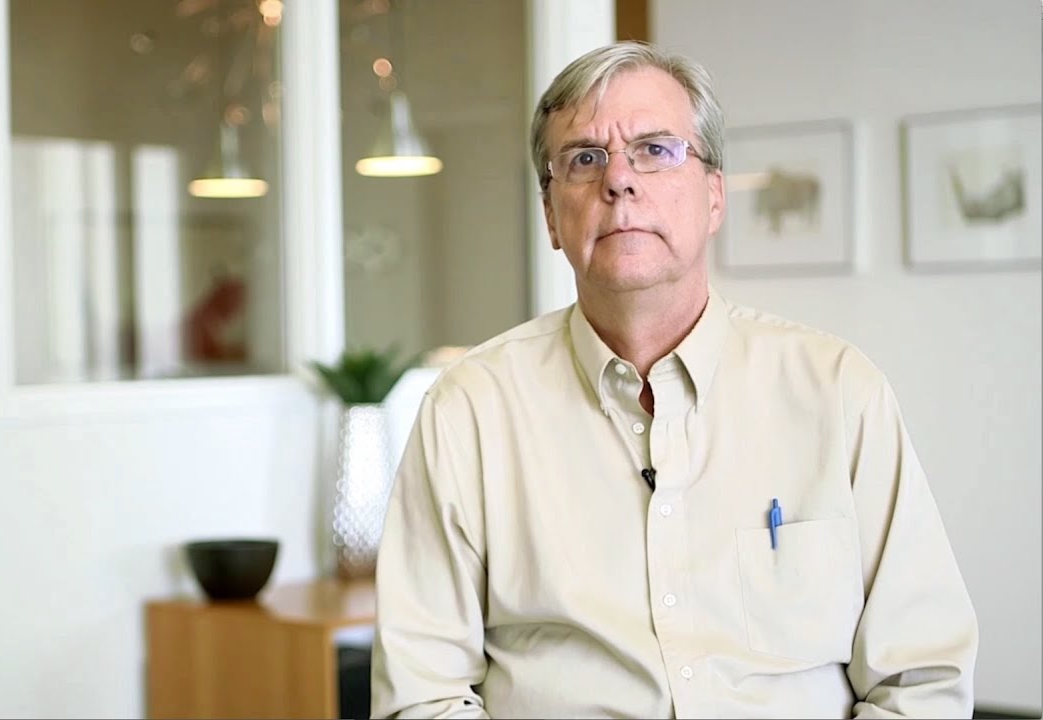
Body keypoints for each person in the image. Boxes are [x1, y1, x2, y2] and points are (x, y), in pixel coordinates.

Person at [370, 41, 977, 719]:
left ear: (714, 197)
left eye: (655, 150)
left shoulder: (838, 392)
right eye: (584, 158)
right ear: (550, 216)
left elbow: (921, 681)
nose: (618, 181)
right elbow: (423, 697)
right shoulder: (469, 411)